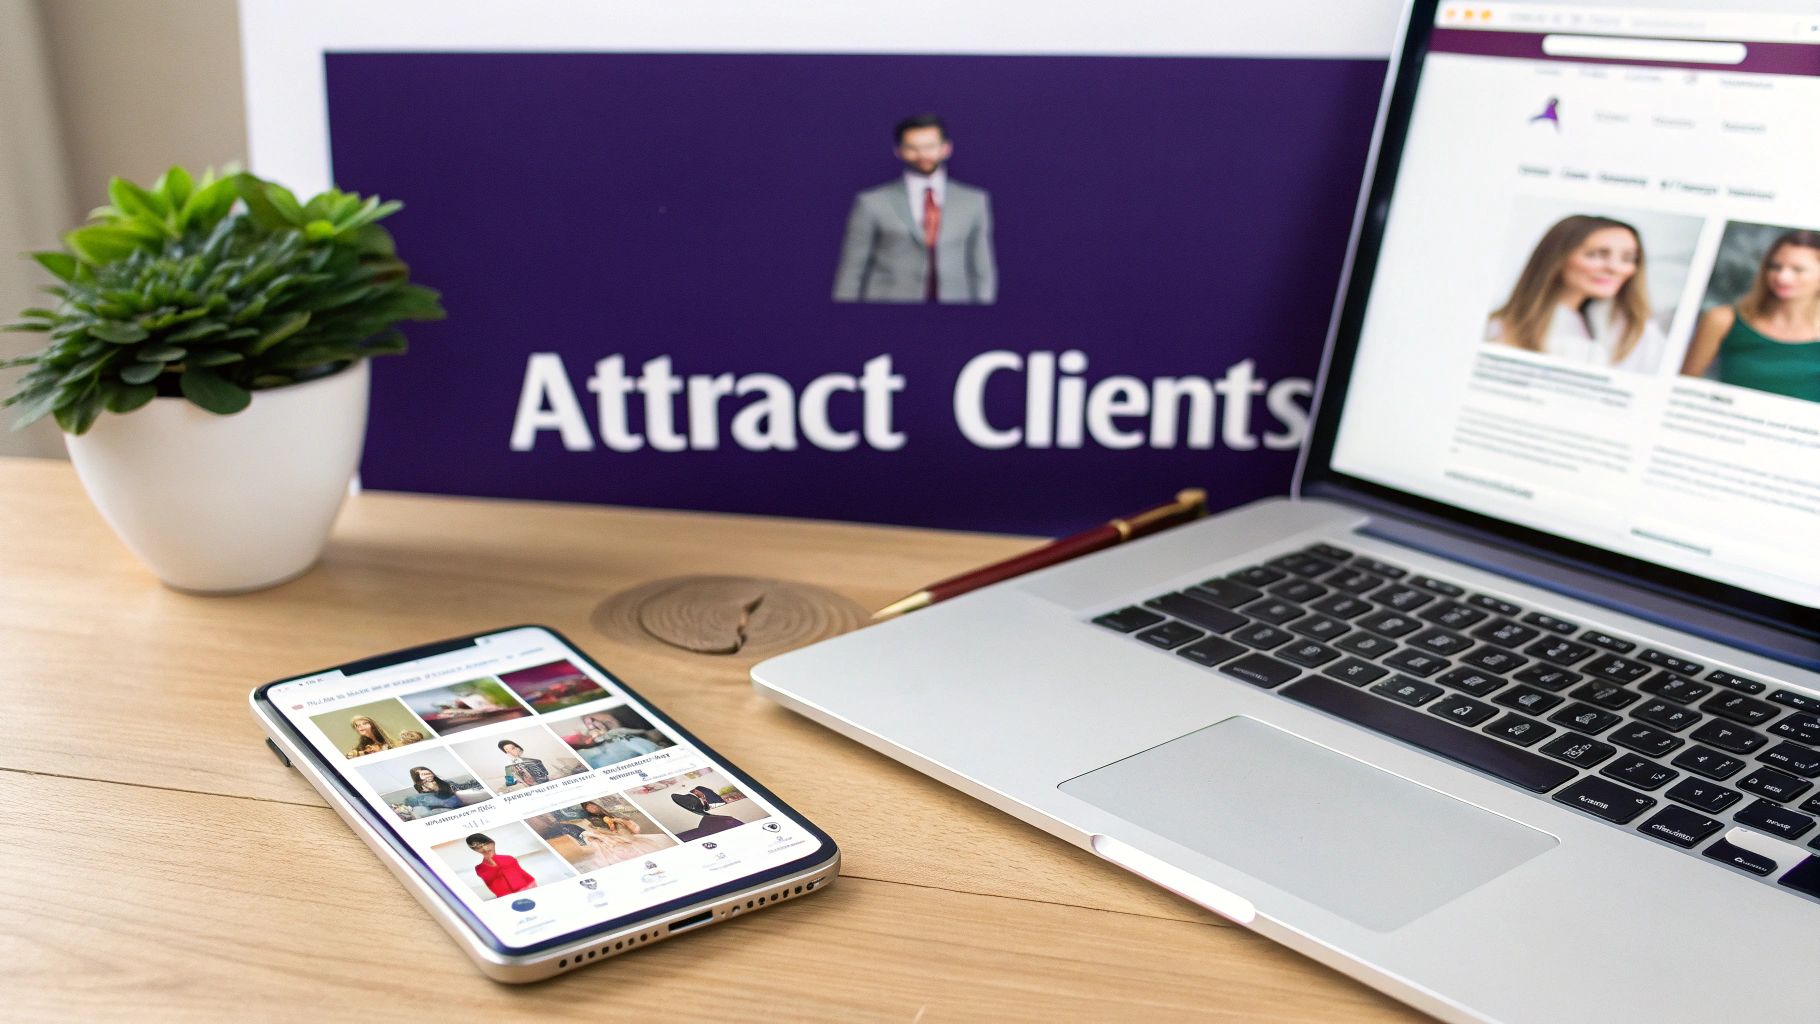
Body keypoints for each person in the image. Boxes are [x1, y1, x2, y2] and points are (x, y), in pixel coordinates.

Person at [833, 114, 997, 305]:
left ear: (945, 148)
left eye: (929, 146)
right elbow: (853, 267)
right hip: (887, 308)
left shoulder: (974, 201)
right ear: (899, 151)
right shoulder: (872, 202)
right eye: (913, 148)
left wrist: (985, 312)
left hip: (954, 308)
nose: (922, 155)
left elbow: (981, 267)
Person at [1486, 214, 1667, 373]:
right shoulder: (1497, 328)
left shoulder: (1637, 334)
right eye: (1596, 254)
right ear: (1557, 258)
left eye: (1628, 258)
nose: (1615, 268)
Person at [1680, 229, 1820, 402]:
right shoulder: (1723, 320)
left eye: (1798, 270)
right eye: (1775, 266)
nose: (1783, 277)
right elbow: (1682, 385)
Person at [395, 766, 485, 818]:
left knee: (473, 783)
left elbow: (449, 793)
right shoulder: (419, 786)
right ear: (417, 777)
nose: (429, 775)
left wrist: (435, 787)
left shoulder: (439, 781)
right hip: (446, 800)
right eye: (424, 774)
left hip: (455, 791)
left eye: (429, 772)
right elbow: (434, 798)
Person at [466, 833, 536, 898]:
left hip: (528, 888)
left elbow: (521, 872)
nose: (485, 848)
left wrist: (532, 884)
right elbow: (489, 879)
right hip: (507, 897)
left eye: (486, 844)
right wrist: (489, 860)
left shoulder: (508, 858)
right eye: (479, 847)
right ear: (475, 850)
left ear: (492, 843)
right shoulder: (479, 868)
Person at [577, 712, 660, 767]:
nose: (594, 725)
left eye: (606, 723)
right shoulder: (588, 749)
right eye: (590, 724)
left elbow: (655, 752)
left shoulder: (622, 737)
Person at [670, 791, 744, 842]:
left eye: (733, 798)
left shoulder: (731, 821)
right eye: (727, 797)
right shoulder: (711, 815)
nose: (727, 799)